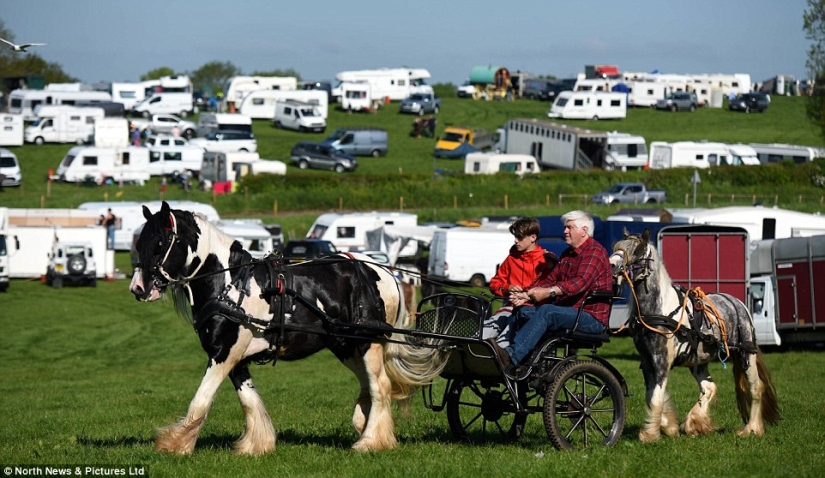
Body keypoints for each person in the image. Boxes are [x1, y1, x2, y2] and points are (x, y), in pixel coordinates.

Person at [488, 210, 612, 371]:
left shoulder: (595, 252)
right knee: (523, 310)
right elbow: (550, 279)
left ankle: (510, 357)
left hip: (591, 318)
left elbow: (579, 283)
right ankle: (528, 362)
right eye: (565, 227)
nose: (564, 231)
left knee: (547, 311)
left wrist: (548, 292)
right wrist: (526, 295)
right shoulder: (568, 253)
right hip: (569, 313)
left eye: (569, 227)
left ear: (584, 231)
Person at [482, 217, 547, 347]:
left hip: (532, 313)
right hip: (509, 308)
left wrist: (528, 298)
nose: (515, 240)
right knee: (480, 335)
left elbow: (551, 291)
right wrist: (507, 287)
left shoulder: (546, 260)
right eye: (515, 236)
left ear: (533, 238)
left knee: (502, 344)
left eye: (520, 237)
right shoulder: (511, 259)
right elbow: (494, 284)